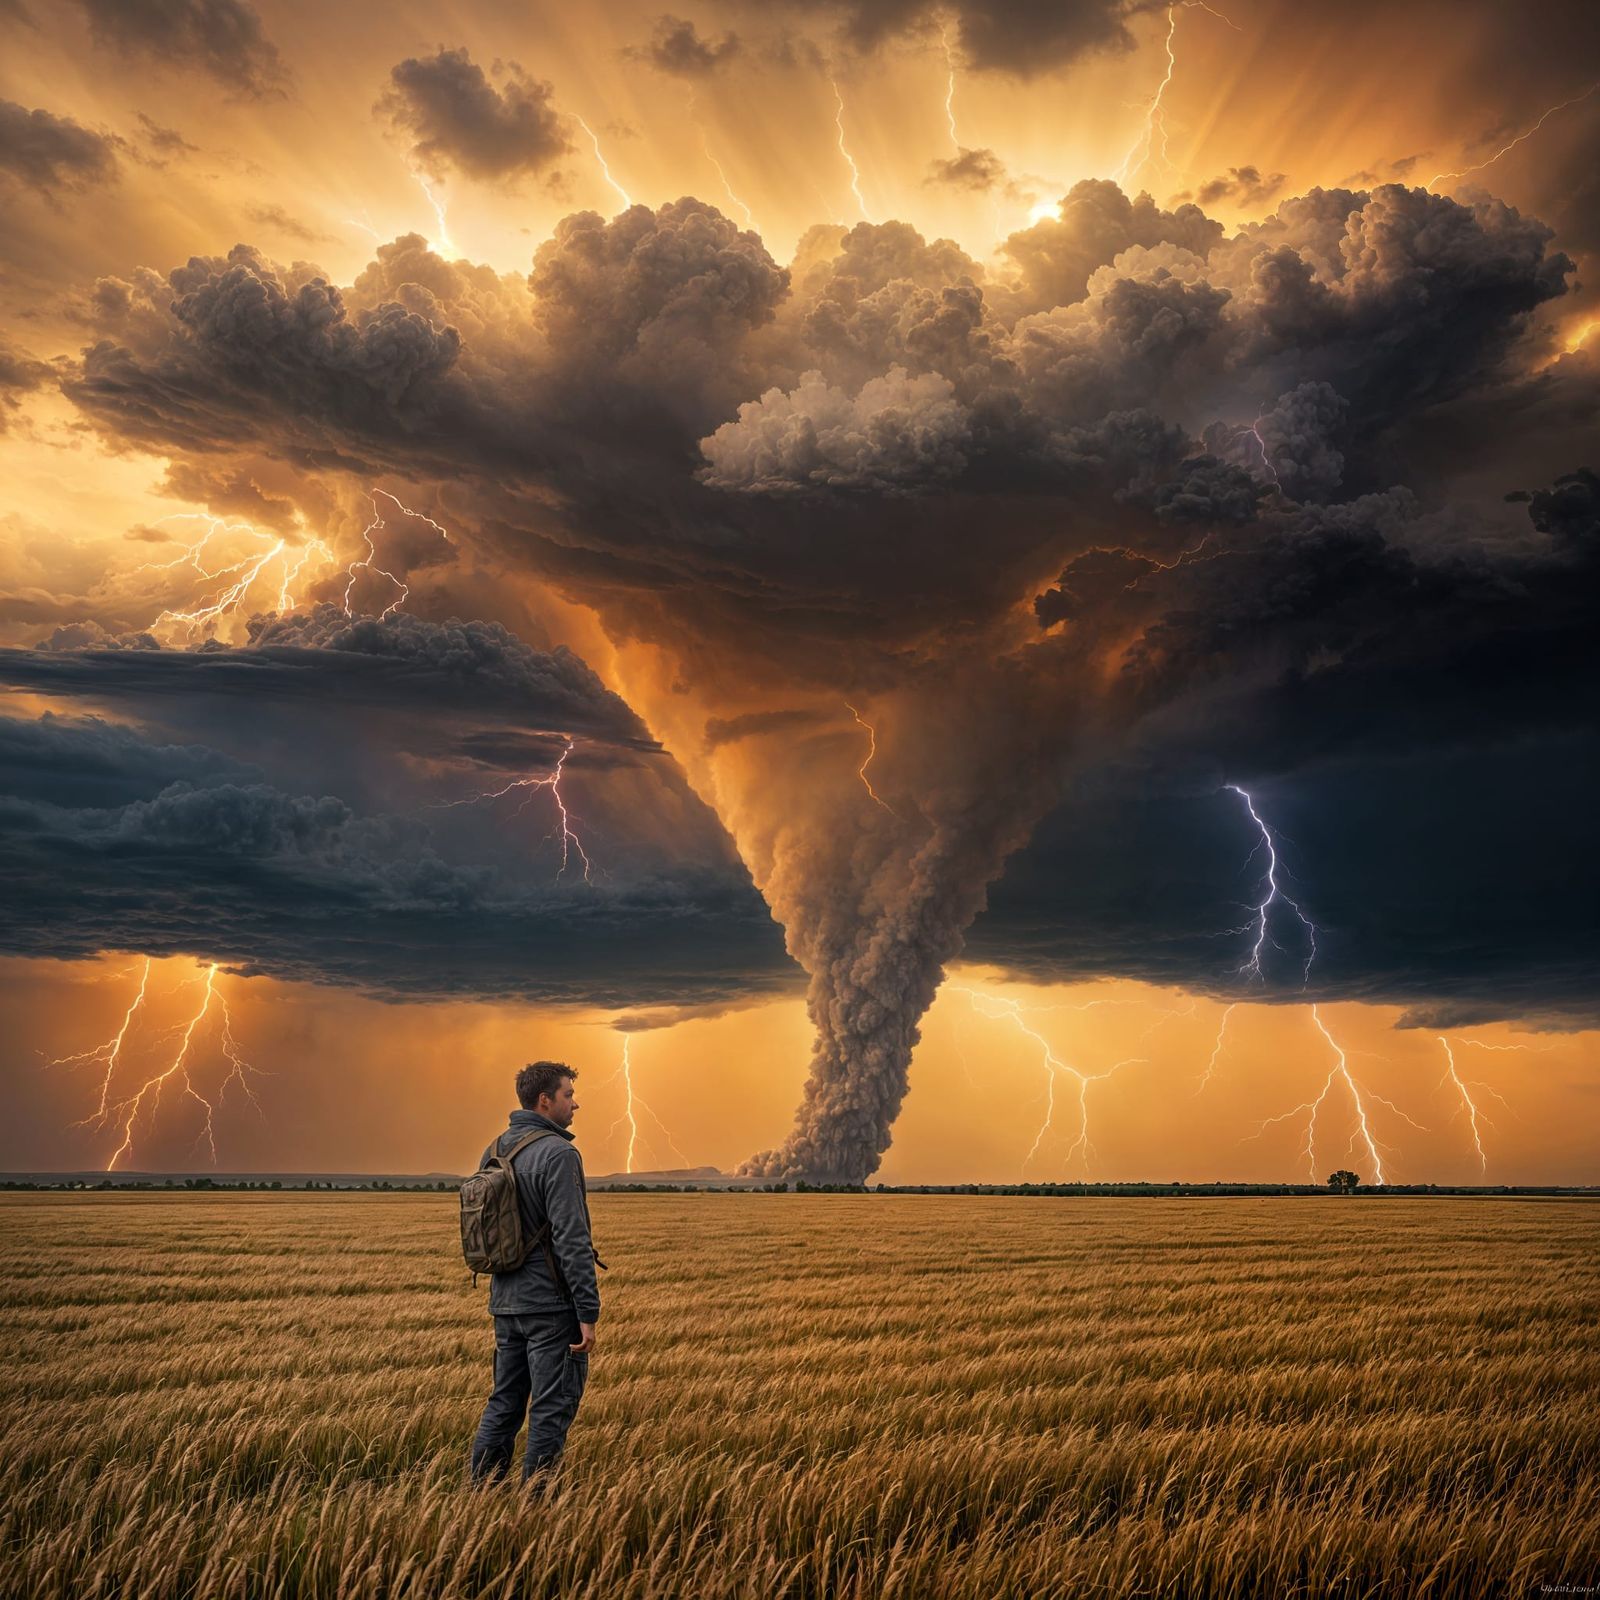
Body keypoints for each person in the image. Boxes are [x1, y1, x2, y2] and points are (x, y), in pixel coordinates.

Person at [468, 1060, 601, 1486]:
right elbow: (572, 1239)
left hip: (504, 1303)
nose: (575, 1103)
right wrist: (588, 1311)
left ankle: (482, 1497)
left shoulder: (494, 1150)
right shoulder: (559, 1153)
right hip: (549, 1306)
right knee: (550, 1408)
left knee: (503, 1403)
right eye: (567, 1095)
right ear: (545, 1101)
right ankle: (537, 1509)